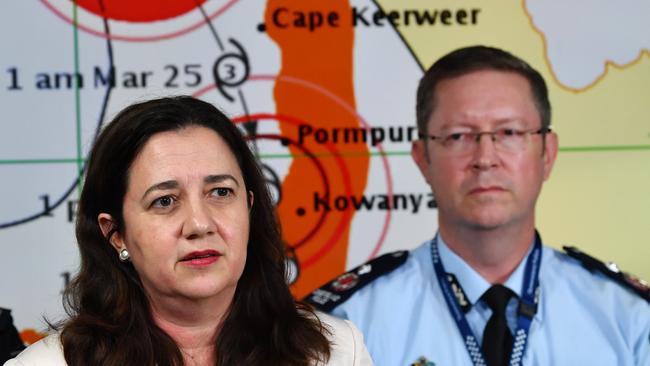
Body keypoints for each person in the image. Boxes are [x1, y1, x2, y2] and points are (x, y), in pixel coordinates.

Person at [305, 46, 650, 365]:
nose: (485, 159)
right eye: (458, 136)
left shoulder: (629, 317)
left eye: (510, 133)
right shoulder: (345, 322)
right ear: (423, 158)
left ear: (548, 153)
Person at [6, 96, 373, 366]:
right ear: (115, 233)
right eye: (165, 201)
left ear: (249, 206)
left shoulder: (337, 351)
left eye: (220, 193)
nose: (199, 224)